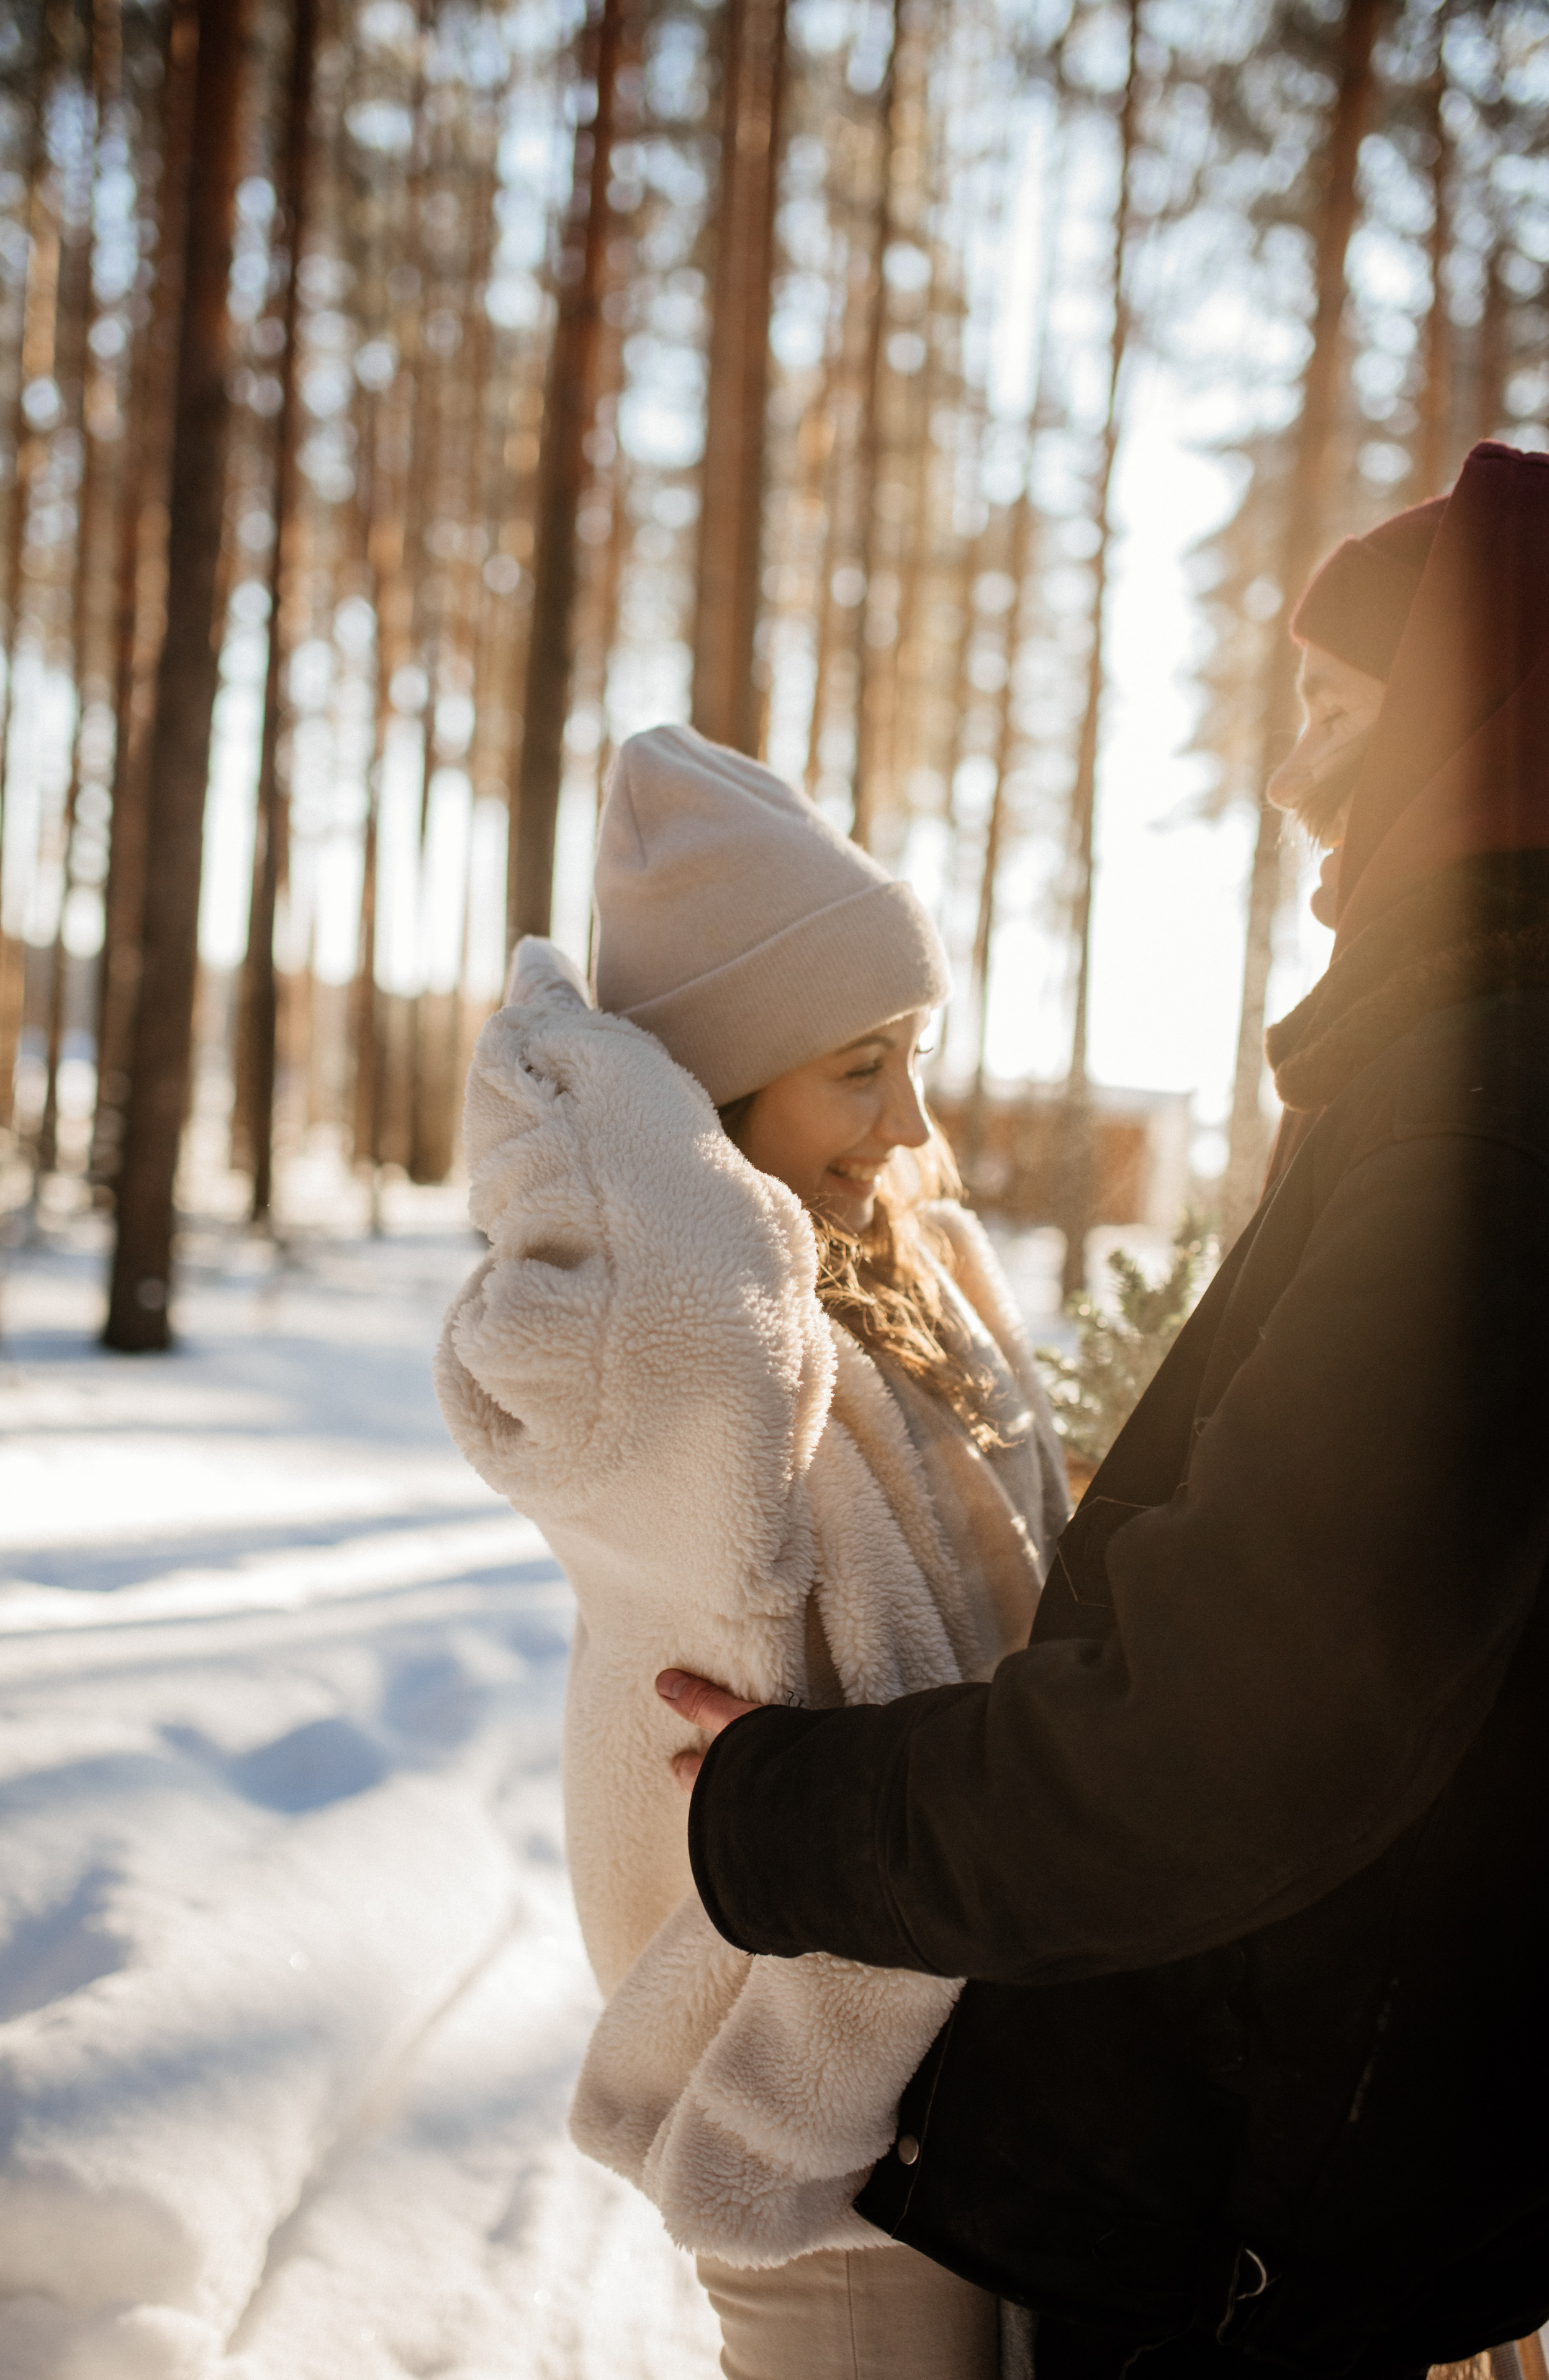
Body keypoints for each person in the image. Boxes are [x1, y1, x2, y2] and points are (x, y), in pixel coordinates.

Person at [664, 441, 1549, 2379]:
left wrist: (785, 1816)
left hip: (1277, 2229)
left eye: (1336, 713)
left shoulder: (1478, 1110)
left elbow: (1233, 1734)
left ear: (1480, 730)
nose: (1294, 771)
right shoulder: (1444, 1075)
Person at [434, 724, 1068, 2379]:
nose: (911, 1123)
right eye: (859, 1064)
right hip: (818, 2139)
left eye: (911, 1053)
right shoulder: (674, 1354)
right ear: (708, 1102)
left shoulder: (900, 1272)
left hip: (978, 2085)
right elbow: (685, 1296)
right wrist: (617, 1090)